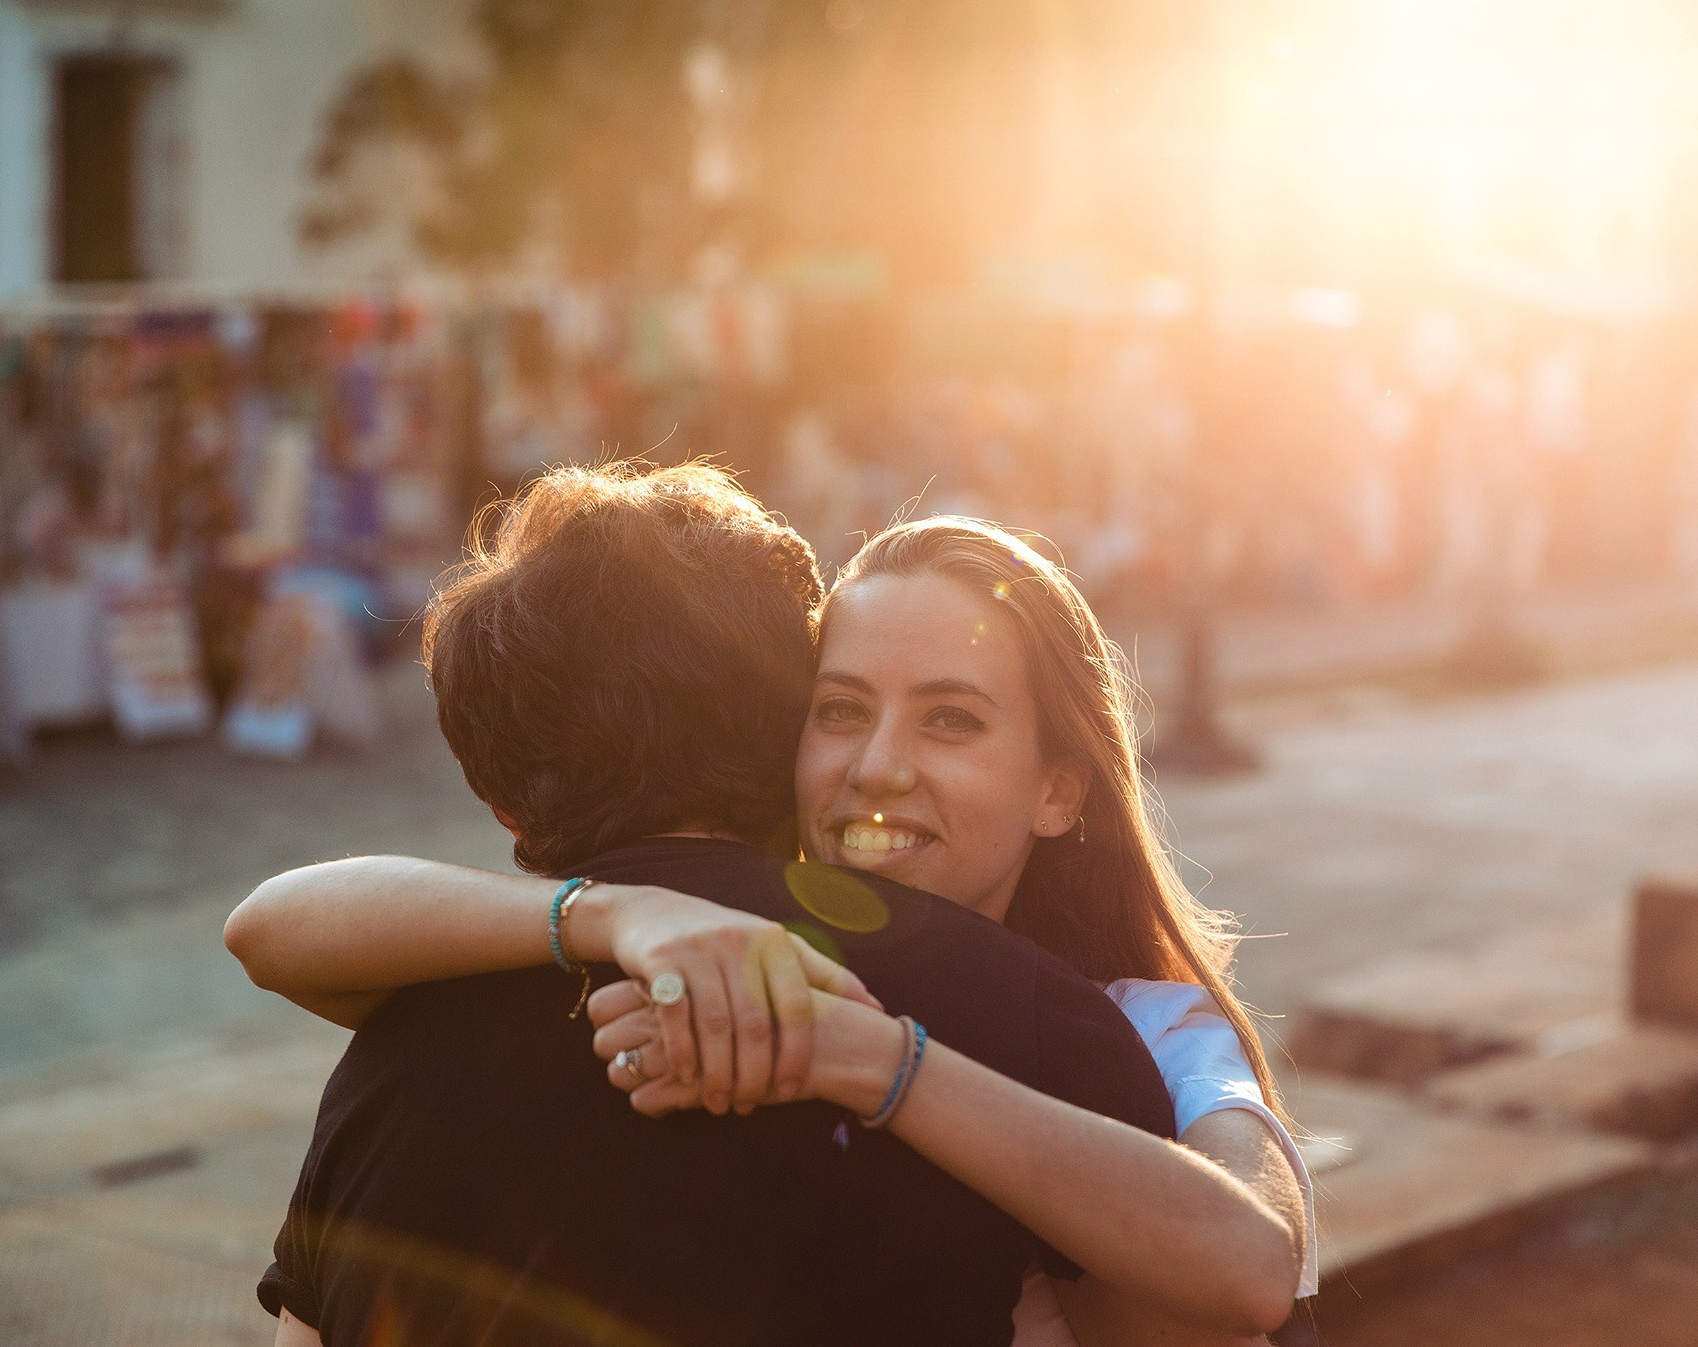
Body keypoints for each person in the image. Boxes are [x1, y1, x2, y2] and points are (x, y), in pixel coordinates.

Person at [231, 487, 1316, 1344]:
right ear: (776, 732)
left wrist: (878, 1061)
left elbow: (1246, 1269)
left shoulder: (1122, 1027)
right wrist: (622, 916)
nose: (879, 767)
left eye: (951, 721)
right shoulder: (605, 956)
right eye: (839, 710)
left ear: (1057, 788)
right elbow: (269, 927)